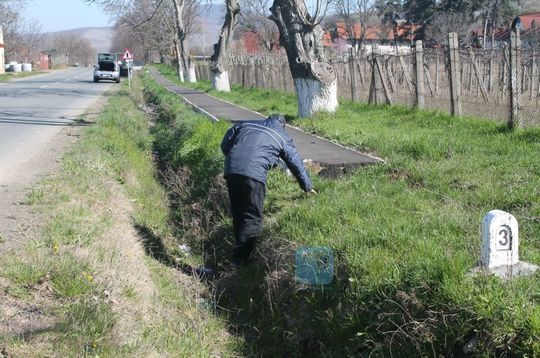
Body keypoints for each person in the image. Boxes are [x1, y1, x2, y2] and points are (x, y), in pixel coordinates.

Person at [221, 113, 315, 266]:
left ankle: (238, 251)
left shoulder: (244, 123)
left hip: (231, 170)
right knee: (253, 217)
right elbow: (296, 163)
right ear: (283, 125)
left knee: (238, 212)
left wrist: (235, 159)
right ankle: (240, 260)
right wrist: (307, 187)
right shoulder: (282, 136)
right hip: (253, 174)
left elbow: (225, 145)